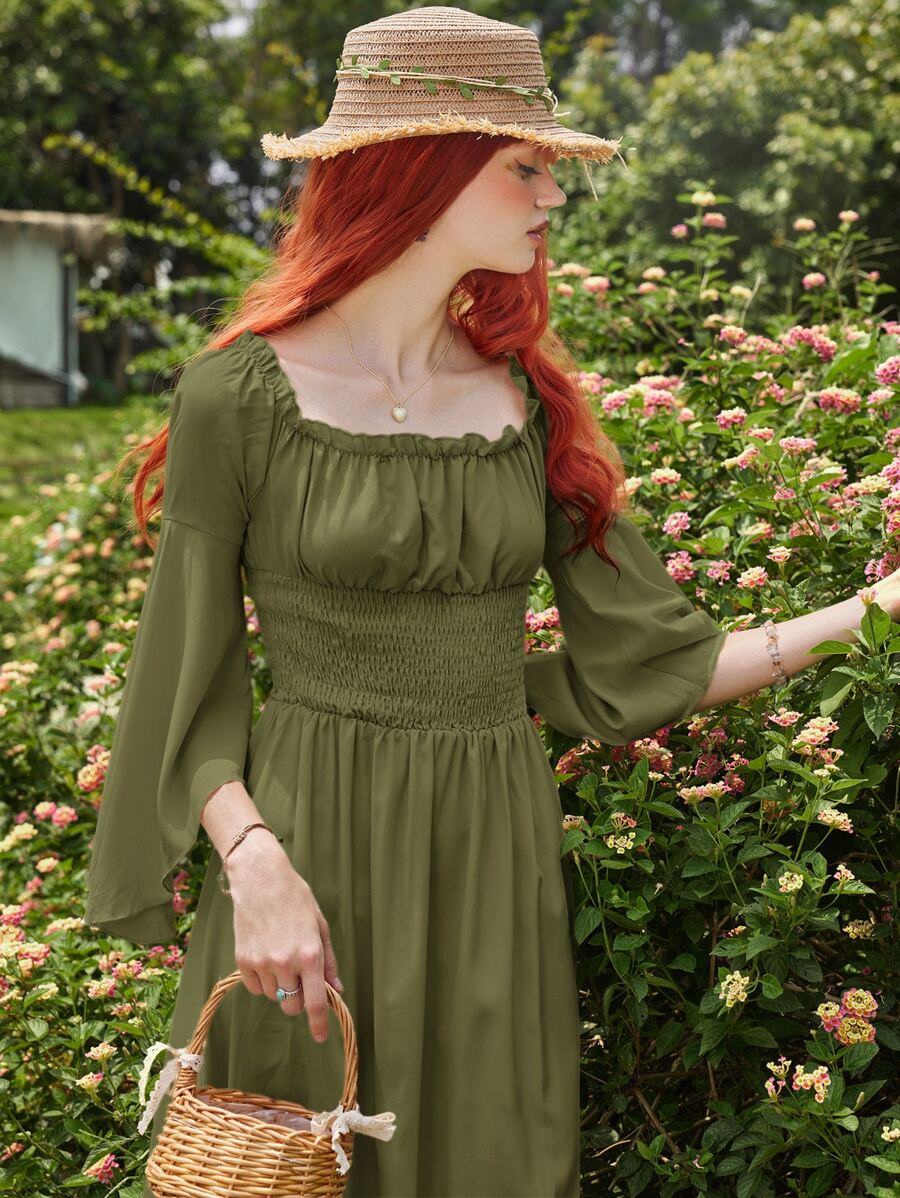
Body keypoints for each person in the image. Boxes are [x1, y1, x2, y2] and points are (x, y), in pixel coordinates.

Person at [82, 7, 900, 1197]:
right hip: (302, 862)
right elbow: (184, 676)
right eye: (523, 166)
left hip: (489, 860)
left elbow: (649, 665)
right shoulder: (238, 396)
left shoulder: (529, 404)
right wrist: (253, 865)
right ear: (423, 172)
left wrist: (874, 612)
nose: (551, 194)